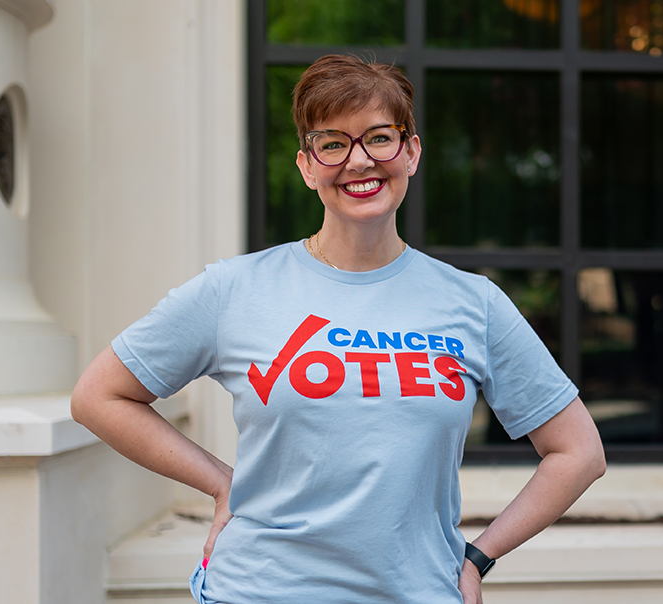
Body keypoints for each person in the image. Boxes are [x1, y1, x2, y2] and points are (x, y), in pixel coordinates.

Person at [70, 54, 605, 604]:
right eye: (333, 144)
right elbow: (99, 396)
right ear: (306, 166)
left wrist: (478, 557)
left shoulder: (473, 303)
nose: (359, 161)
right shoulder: (233, 290)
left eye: (379, 137)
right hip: (259, 592)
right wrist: (221, 483)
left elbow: (578, 452)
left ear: (411, 152)